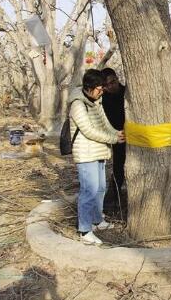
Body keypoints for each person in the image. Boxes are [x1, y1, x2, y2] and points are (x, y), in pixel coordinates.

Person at [69, 69, 125, 245]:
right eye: (100, 88)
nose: (103, 91)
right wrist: (113, 139)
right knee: (89, 191)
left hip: (99, 150)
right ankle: (85, 230)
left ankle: (97, 220)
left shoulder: (97, 100)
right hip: (86, 153)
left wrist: (117, 133)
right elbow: (89, 130)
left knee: (100, 187)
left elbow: (104, 123)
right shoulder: (78, 104)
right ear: (89, 87)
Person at [100, 67, 126, 206]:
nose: (111, 86)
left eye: (113, 82)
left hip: (134, 134)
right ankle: (115, 193)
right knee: (118, 166)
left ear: (117, 78)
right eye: (107, 85)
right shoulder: (102, 99)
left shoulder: (127, 92)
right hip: (117, 136)